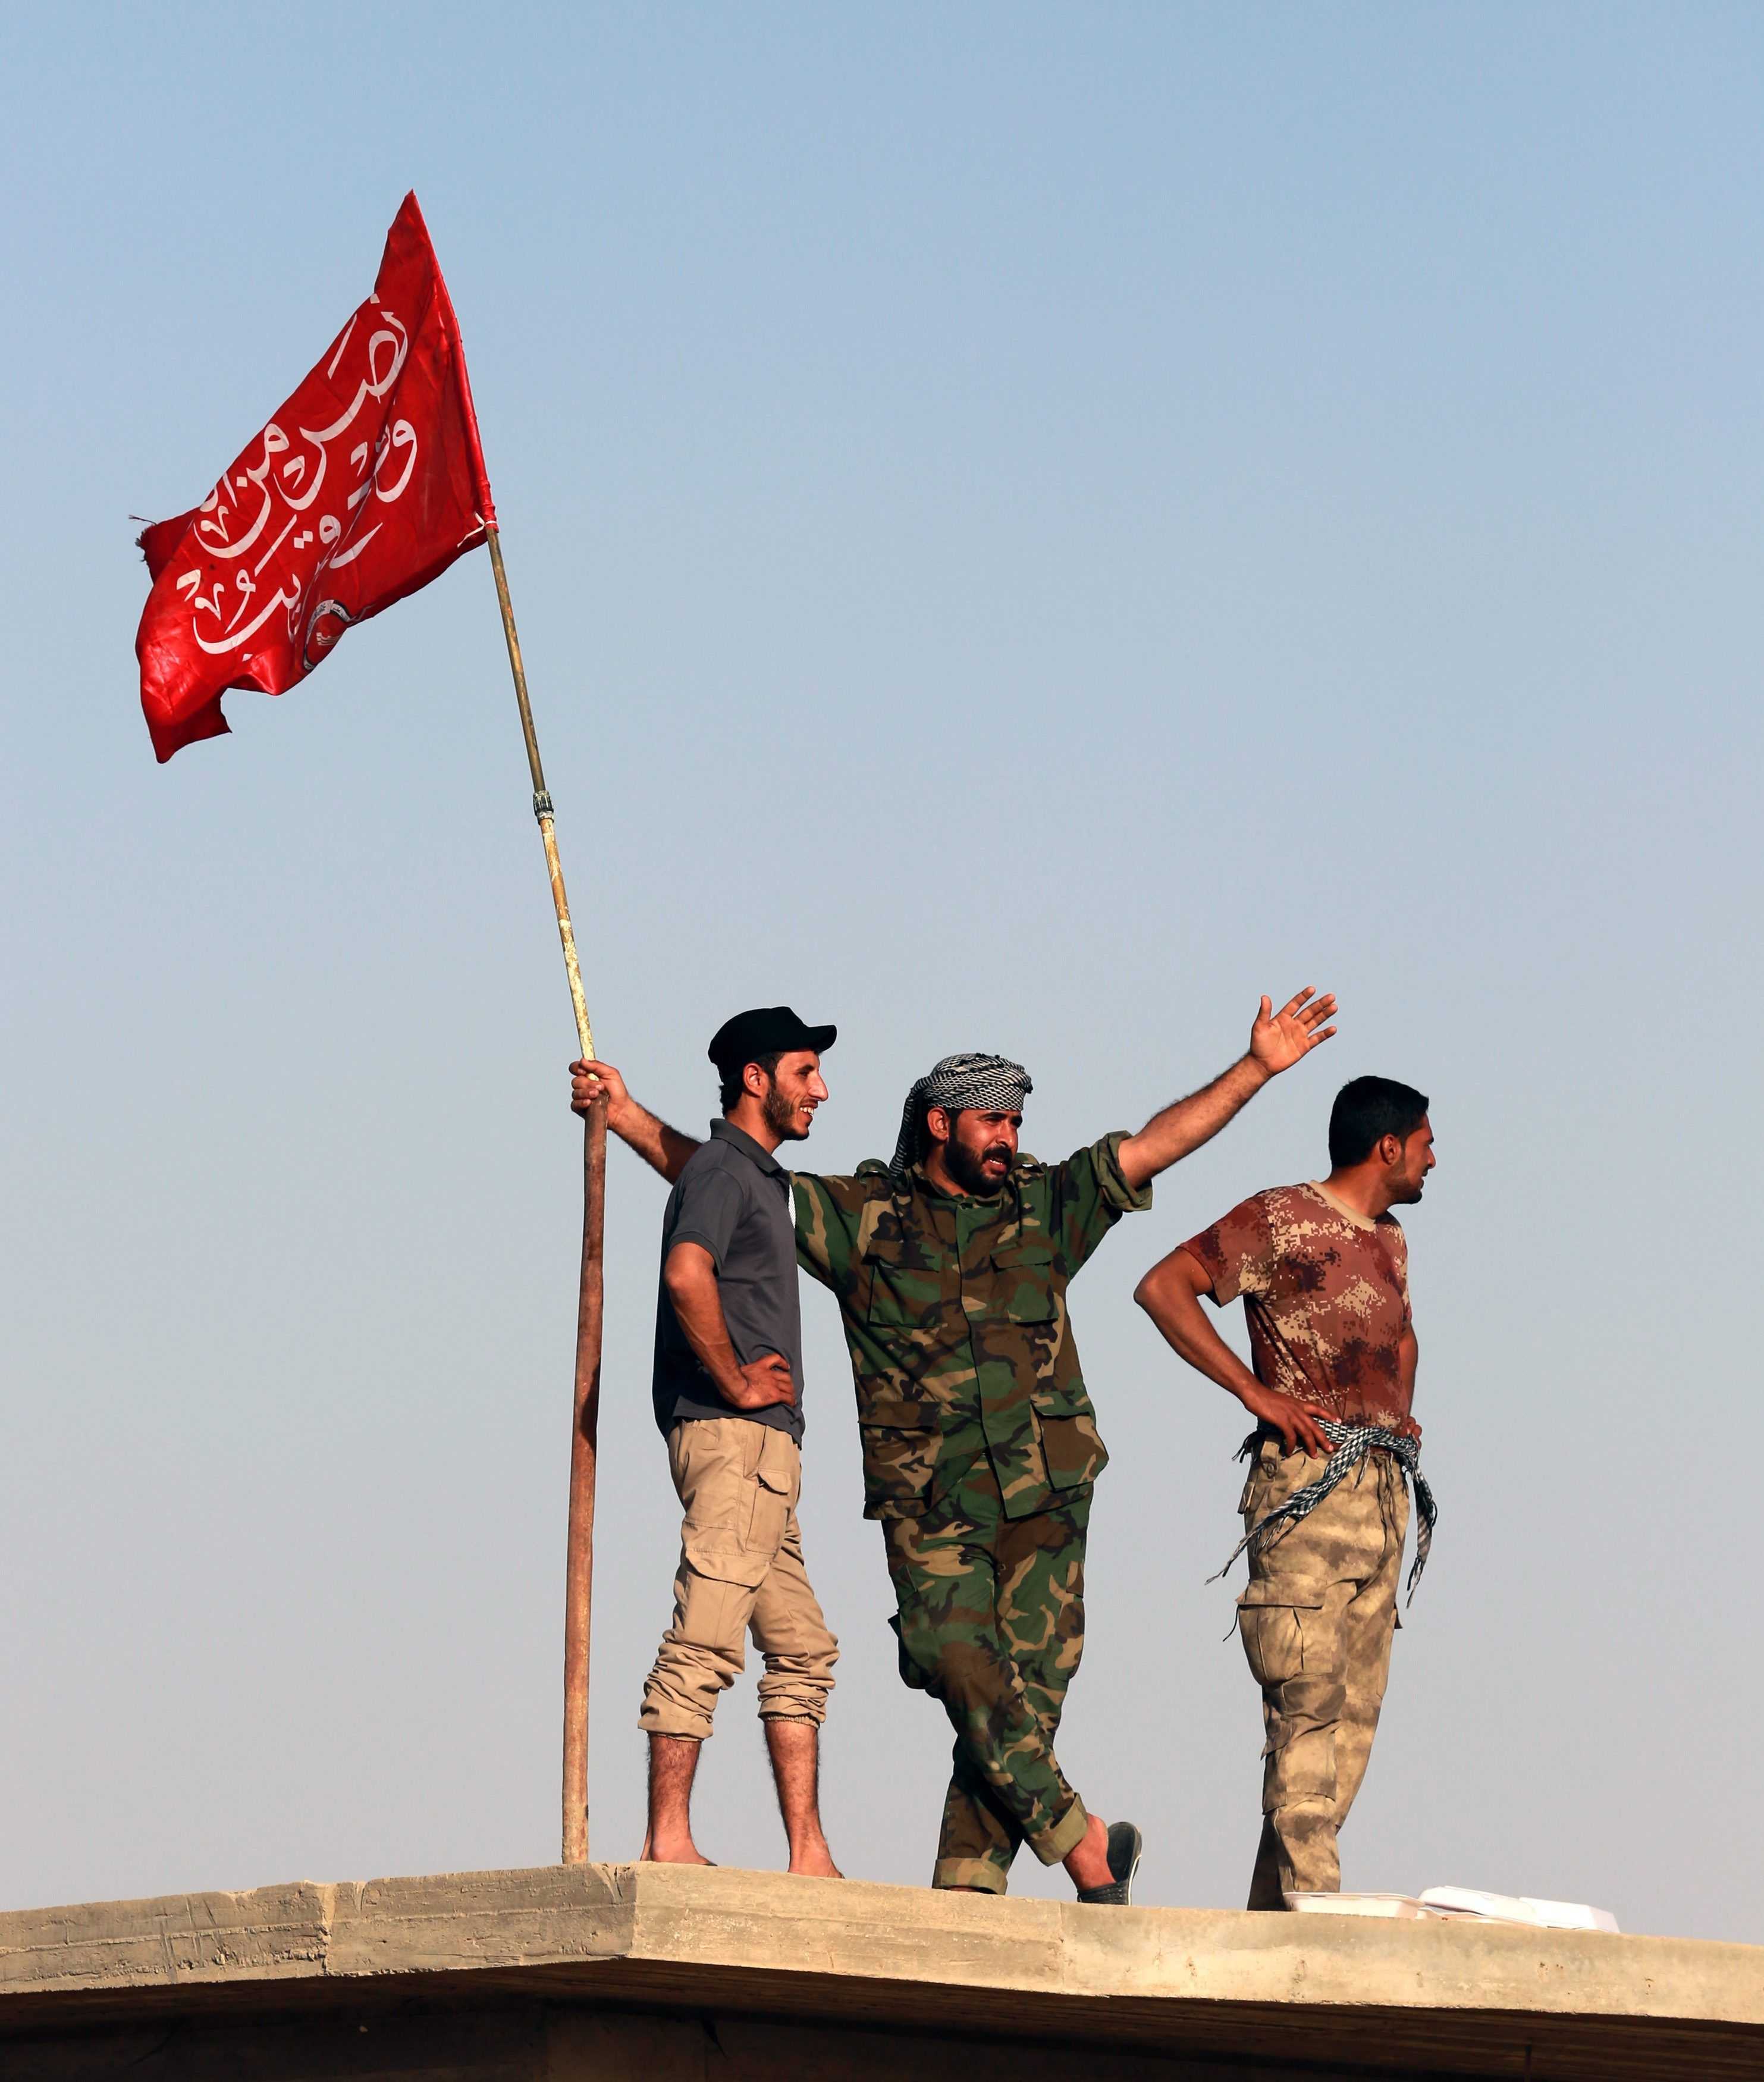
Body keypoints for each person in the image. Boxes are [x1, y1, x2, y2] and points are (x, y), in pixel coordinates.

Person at [573, 986, 1337, 1903]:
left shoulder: (1047, 1205)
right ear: (940, 1124)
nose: (1009, 1138)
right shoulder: (859, 1218)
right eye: (991, 1123)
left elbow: (1154, 1142)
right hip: (931, 1506)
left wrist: (1254, 1068)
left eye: (1017, 1121)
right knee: (960, 1667)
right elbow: (725, 1183)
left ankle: (966, 1899)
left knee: (1018, 1711)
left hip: (1049, 1504)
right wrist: (625, 1118)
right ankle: (1086, 1844)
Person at [1132, 1075, 1437, 1910]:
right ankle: (1320, 1918)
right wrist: (1253, 1392)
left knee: (1349, 1729)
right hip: (1304, 1488)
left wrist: (1398, 1419)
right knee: (1304, 1708)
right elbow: (1164, 1287)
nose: (1431, 1159)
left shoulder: (1391, 1237)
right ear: (1388, 1146)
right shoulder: (1278, 1218)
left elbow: (1402, 1337)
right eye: (1424, 1142)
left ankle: (1277, 1923)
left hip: (1379, 1490)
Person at [629, 1005, 843, 1876]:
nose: (819, 1091)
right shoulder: (726, 1170)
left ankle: (809, 1852)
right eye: (803, 1074)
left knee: (800, 1648)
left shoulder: (741, 1172)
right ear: (756, 1080)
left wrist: (627, 1114)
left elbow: (690, 1171)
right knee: (706, 1635)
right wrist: (737, 1382)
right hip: (735, 1438)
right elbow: (687, 1269)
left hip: (765, 1450)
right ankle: (666, 1841)